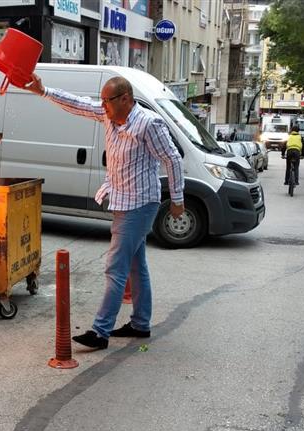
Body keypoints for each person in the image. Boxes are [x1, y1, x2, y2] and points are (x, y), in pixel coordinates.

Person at [16, 73, 184, 350]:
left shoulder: (148, 124)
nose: (102, 105)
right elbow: (78, 104)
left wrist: (177, 200)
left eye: (107, 101)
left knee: (115, 268)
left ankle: (100, 331)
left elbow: (172, 159)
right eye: (102, 100)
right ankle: (140, 324)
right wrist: (43, 90)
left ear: (126, 99)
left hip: (140, 205)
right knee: (135, 266)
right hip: (122, 201)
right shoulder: (109, 115)